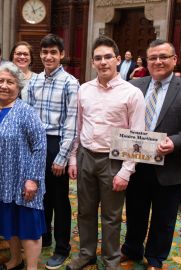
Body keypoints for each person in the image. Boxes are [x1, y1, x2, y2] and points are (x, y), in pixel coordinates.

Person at [121, 40, 181, 270]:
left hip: (170, 166)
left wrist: (176, 141)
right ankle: (132, 250)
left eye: (163, 56)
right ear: (147, 61)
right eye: (153, 57)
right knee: (135, 211)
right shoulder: (134, 85)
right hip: (137, 163)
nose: (158, 61)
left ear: (174, 59)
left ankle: (155, 259)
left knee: (164, 218)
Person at [66, 36, 145, 270]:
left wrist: (126, 171)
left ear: (118, 60)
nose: (103, 62)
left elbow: (137, 136)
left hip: (114, 161)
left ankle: (111, 260)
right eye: (98, 58)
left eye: (108, 57)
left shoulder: (132, 93)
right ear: (92, 62)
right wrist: (73, 157)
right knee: (85, 211)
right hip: (86, 157)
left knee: (111, 217)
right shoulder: (84, 89)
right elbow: (78, 127)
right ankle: (87, 253)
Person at [0, 62, 47, 270]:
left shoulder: (24, 111)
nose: (4, 86)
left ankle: (32, 267)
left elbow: (40, 145)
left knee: (28, 225)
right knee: (10, 222)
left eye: (10, 82)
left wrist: (33, 179)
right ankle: (16, 259)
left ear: (18, 86)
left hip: (22, 179)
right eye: (0, 81)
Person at [26, 33, 79, 270]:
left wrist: (63, 156)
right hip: (35, 143)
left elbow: (72, 123)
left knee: (60, 199)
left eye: (53, 52)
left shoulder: (70, 83)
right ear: (40, 54)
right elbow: (26, 115)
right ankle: (44, 235)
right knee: (41, 194)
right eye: (45, 52)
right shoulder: (33, 81)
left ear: (61, 55)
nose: (49, 56)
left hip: (57, 143)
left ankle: (62, 247)